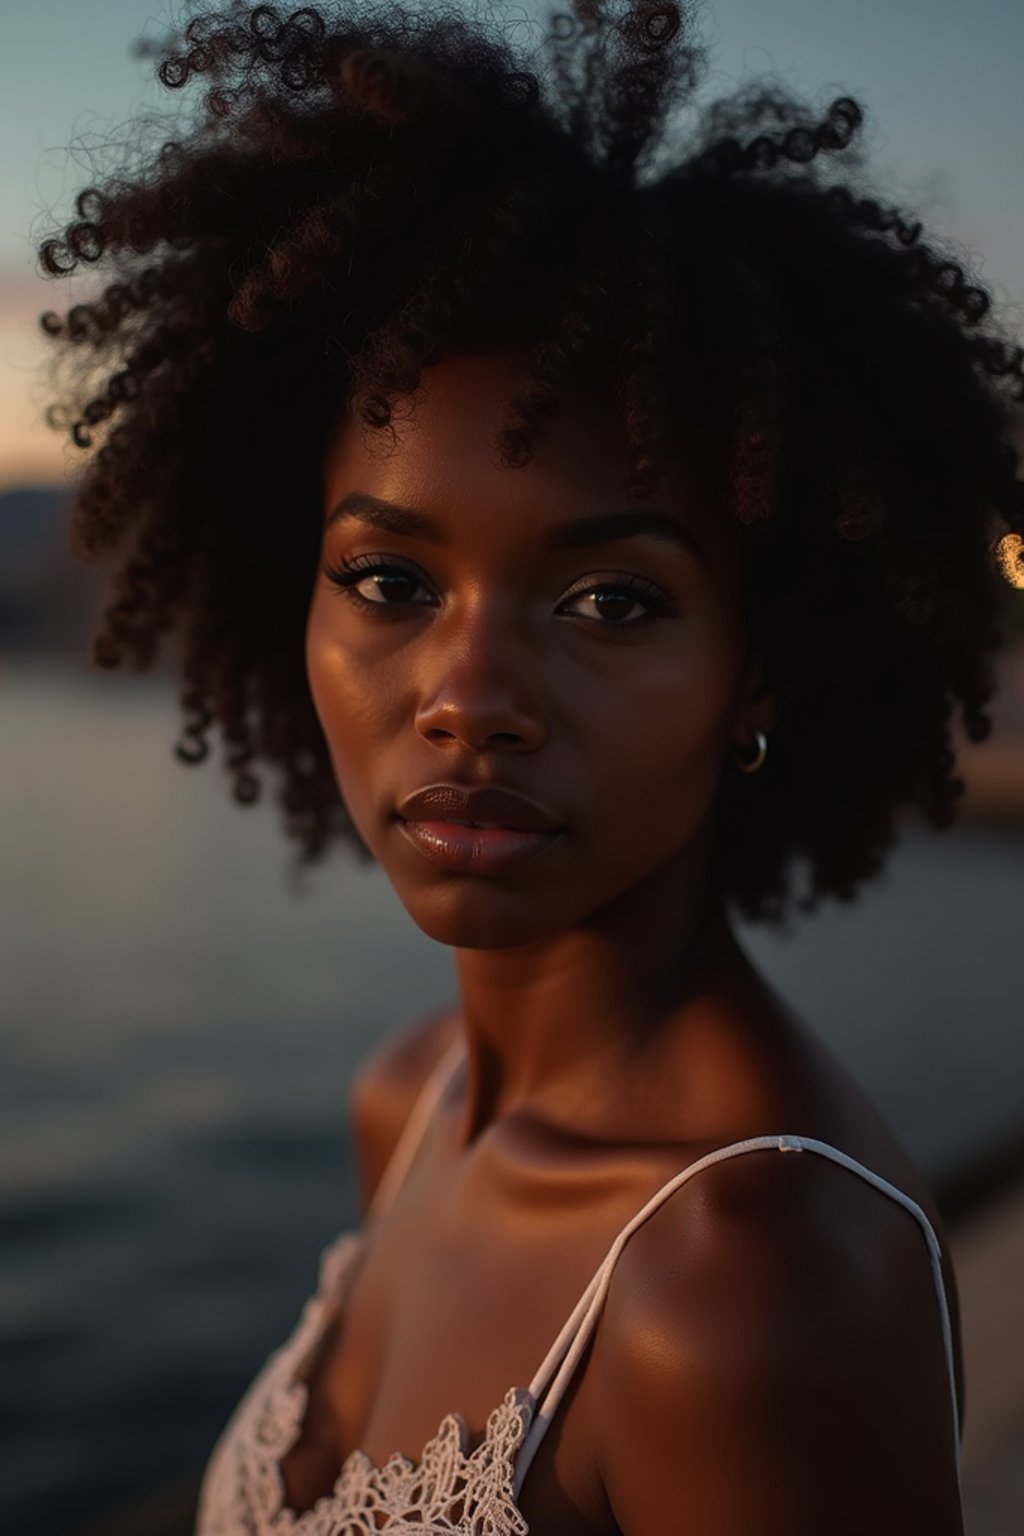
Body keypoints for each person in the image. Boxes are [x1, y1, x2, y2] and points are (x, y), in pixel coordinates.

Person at [36, 2, 1023, 1531]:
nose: (472, 698)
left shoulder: (756, 1285)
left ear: (753, 665)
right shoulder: (411, 1101)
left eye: (610, 601)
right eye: (388, 582)